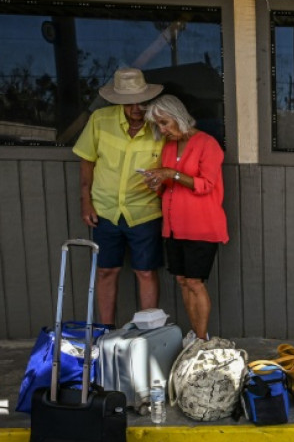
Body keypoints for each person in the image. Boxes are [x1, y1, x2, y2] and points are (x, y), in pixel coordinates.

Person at [73, 67, 165, 326]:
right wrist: (85, 201)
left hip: (145, 210)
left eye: (142, 101)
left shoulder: (160, 125)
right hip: (105, 209)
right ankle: (106, 331)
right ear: (118, 100)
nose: (137, 107)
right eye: (129, 101)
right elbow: (86, 162)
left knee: (146, 272)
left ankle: (148, 335)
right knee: (106, 270)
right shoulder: (100, 120)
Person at [141, 95, 228, 344]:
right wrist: (157, 180)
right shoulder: (169, 146)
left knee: (194, 281)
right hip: (173, 227)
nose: (162, 129)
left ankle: (202, 339)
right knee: (181, 280)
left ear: (179, 117)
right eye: (158, 125)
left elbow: (206, 184)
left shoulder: (207, 144)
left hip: (201, 226)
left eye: (165, 123)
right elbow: (170, 184)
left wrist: (171, 173)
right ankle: (196, 336)